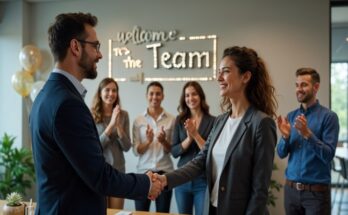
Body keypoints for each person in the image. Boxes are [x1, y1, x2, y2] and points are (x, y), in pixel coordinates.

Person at [29, 12, 162, 215]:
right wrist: (146, 183)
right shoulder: (67, 104)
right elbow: (99, 175)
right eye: (95, 46)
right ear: (75, 47)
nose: (99, 54)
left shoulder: (46, 95)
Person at [154, 46, 278, 215]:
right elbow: (199, 162)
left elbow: (260, 190)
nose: (218, 77)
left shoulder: (262, 123)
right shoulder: (220, 121)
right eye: (218, 72)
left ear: (246, 76)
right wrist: (165, 179)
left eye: (225, 71)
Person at [276, 68, 339, 215]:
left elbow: (328, 155)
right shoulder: (291, 117)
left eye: (304, 85)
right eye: (297, 85)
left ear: (316, 87)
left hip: (316, 195)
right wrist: (285, 137)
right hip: (291, 192)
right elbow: (280, 153)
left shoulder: (329, 117)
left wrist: (307, 134)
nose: (299, 89)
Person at [171, 81, 215, 215]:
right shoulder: (179, 120)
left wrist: (195, 134)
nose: (191, 98)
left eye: (194, 94)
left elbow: (211, 152)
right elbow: (174, 151)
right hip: (182, 179)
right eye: (187, 95)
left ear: (200, 96)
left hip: (202, 180)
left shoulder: (213, 121)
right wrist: (189, 138)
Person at [132, 81, 175, 213]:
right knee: (141, 212)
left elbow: (172, 150)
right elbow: (136, 151)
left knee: (162, 212)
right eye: (151, 94)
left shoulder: (172, 119)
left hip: (165, 174)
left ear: (163, 96)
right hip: (143, 174)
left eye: (158, 94)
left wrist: (163, 141)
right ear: (146, 96)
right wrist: (149, 141)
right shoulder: (138, 120)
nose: (154, 97)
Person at [91, 77, 131, 209]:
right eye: (107, 90)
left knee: (116, 212)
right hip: (99, 171)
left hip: (118, 172)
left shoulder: (124, 115)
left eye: (114, 90)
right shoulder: (91, 115)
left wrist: (118, 125)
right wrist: (111, 125)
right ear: (100, 93)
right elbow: (94, 147)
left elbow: (126, 147)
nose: (111, 94)